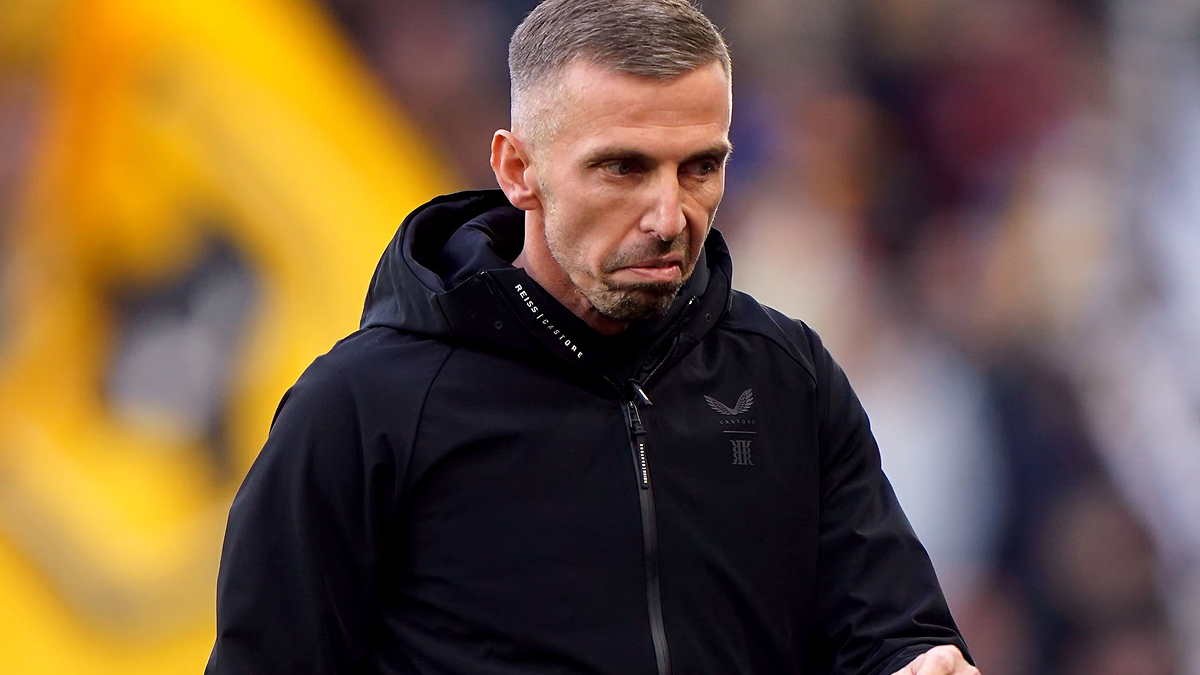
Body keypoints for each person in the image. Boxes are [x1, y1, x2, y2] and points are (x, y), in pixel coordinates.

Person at [205, 1, 978, 674]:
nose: (670, 216)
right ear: (517, 169)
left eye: (700, 167)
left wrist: (919, 663)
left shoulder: (787, 376)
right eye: (623, 168)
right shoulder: (360, 406)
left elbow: (891, 632)